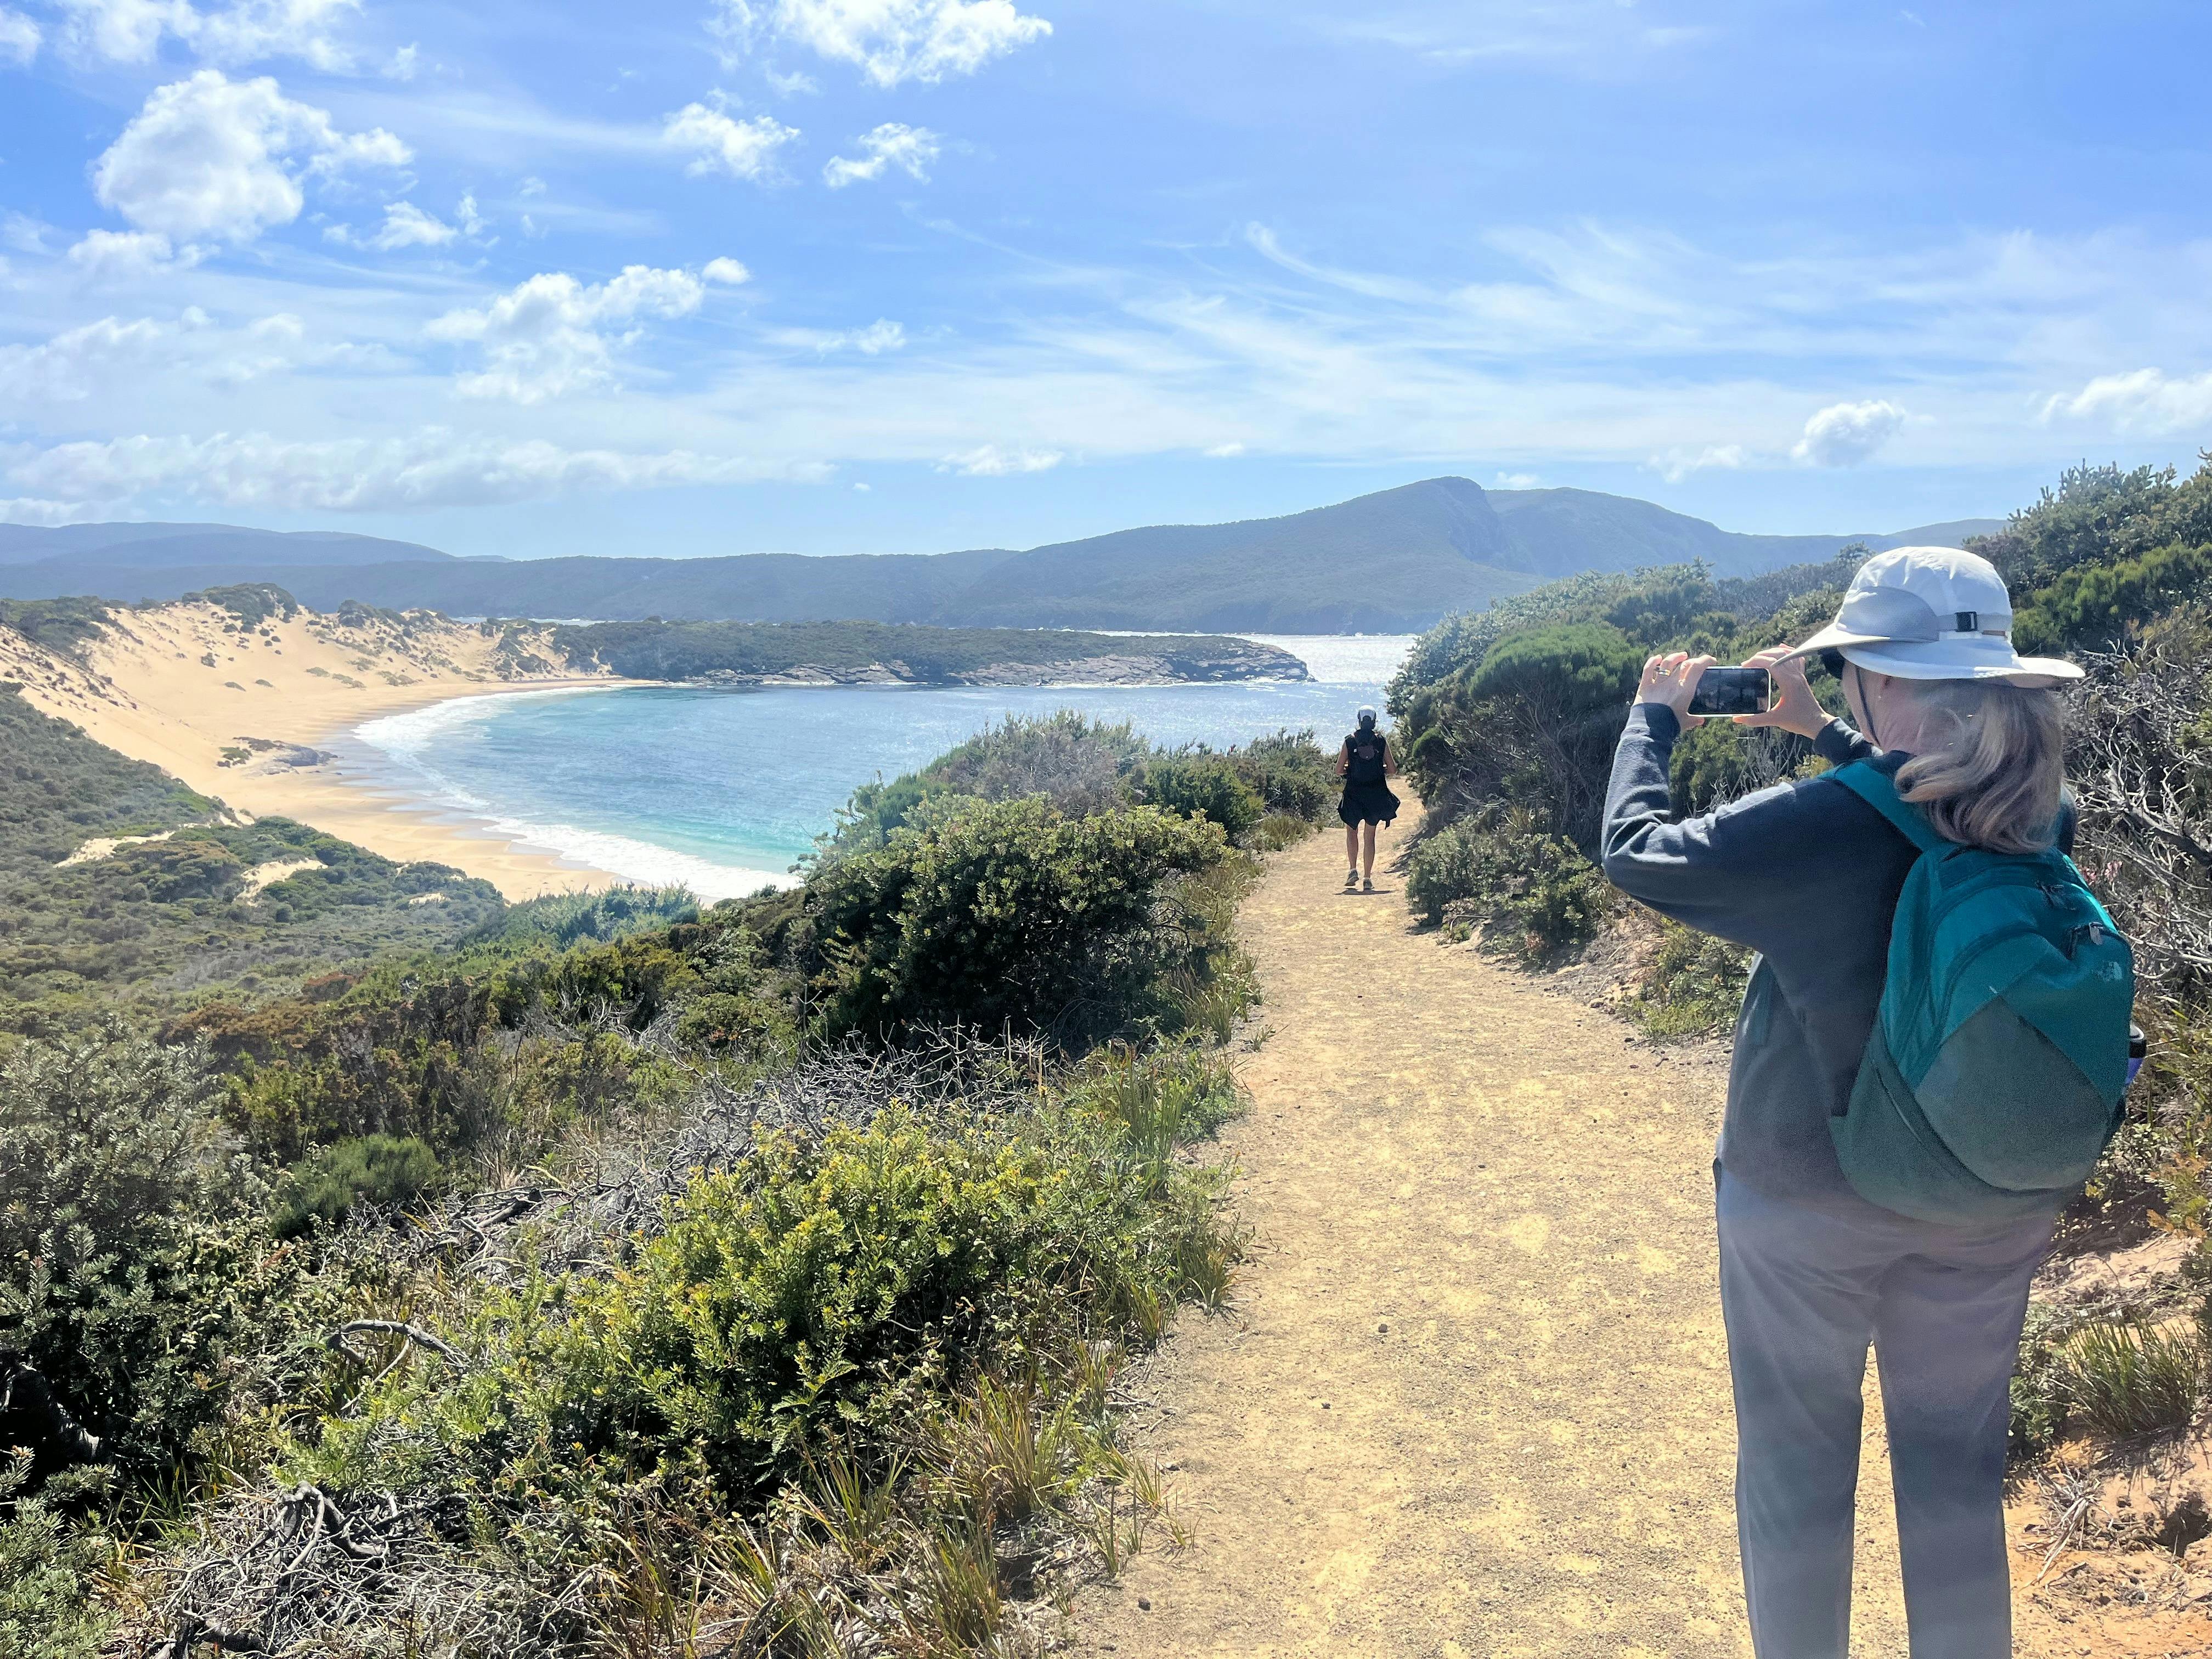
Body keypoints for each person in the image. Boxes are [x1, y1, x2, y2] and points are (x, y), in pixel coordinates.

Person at [1598, 548, 2085, 1659]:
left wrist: (1654, 721)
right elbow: (1919, 805)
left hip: (1805, 1203)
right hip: (1986, 1199)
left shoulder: (1816, 826)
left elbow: (1635, 852)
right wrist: (1824, 728)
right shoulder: (2035, 810)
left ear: (1879, 674)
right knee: (1956, 1482)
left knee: (1797, 1475)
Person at [1336, 705, 1400, 891]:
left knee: (1351, 832)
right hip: (1376, 794)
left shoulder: (1349, 742)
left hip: (1354, 794)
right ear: (1374, 721)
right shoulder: (1381, 742)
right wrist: (1379, 770)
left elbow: (1338, 770)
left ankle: (1352, 870)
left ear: (1358, 720)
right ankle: (1367, 878)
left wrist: (1351, 770)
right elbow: (1394, 770)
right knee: (1369, 836)